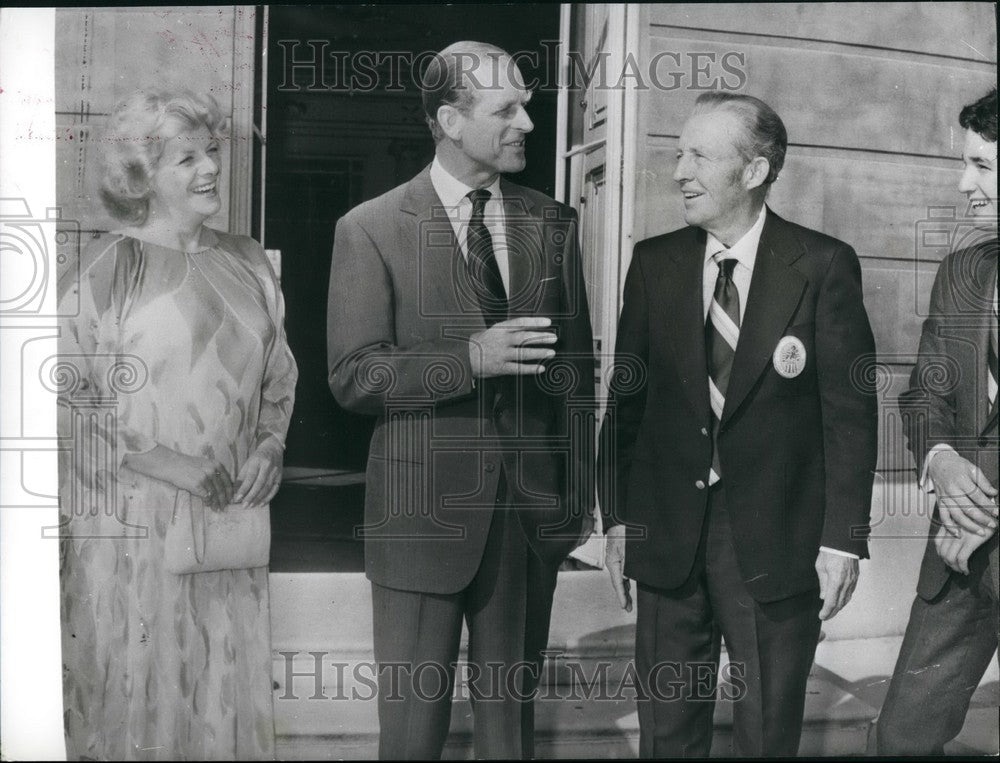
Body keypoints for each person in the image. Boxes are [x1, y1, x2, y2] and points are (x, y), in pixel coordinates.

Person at [327, 41, 595, 760]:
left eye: (526, 107)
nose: (527, 124)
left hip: (527, 519)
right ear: (450, 120)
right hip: (419, 521)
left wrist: (577, 502)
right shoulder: (370, 227)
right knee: (412, 736)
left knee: (510, 735)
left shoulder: (552, 223)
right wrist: (468, 359)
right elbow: (353, 375)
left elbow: (576, 377)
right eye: (506, 110)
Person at [597, 92, 878, 757]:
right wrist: (617, 518)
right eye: (679, 154)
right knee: (666, 735)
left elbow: (849, 415)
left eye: (699, 156)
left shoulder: (821, 265)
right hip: (667, 536)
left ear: (754, 171)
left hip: (774, 541)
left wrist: (843, 540)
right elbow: (626, 404)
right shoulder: (655, 261)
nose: (679, 173)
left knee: (766, 732)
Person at [57, 89, 297, 760]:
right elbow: (66, 396)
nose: (211, 168)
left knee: (217, 693)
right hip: (132, 528)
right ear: (143, 175)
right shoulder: (106, 267)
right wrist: (172, 463)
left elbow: (280, 376)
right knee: (140, 698)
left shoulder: (249, 260)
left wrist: (270, 446)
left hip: (227, 521)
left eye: (211, 151)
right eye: (186, 158)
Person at [876, 87, 999, 755]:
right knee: (900, 737)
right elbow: (925, 394)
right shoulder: (960, 272)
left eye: (982, 165)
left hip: (970, 525)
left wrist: (985, 509)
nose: (963, 184)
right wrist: (944, 462)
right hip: (958, 557)